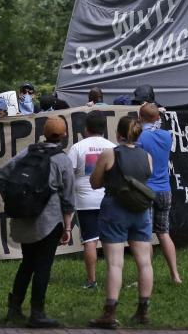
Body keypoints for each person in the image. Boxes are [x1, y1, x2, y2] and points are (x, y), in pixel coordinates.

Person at [0, 116, 74, 328]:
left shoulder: (28, 152)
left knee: (27, 263)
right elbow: (68, 198)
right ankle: (37, 313)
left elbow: (5, 172)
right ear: (64, 135)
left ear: (44, 132)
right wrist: (67, 226)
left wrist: (16, 198)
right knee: (43, 266)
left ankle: (14, 309)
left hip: (25, 218)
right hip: (49, 221)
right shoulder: (62, 159)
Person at [88, 115, 155, 328]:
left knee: (115, 263)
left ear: (118, 134)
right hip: (141, 211)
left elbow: (95, 182)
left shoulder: (110, 153)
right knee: (145, 262)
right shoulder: (147, 156)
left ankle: (109, 313)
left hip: (115, 209)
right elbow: (147, 176)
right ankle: (143, 311)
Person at [68, 109, 116, 289]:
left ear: (86, 128)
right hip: (109, 199)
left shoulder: (77, 147)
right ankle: (114, 277)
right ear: (104, 128)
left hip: (85, 201)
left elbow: (67, 174)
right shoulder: (112, 147)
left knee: (89, 241)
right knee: (111, 241)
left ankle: (91, 281)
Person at [135, 101, 182, 284]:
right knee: (164, 233)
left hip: (146, 189)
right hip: (164, 189)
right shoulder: (166, 136)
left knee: (145, 234)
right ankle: (175, 274)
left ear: (140, 118)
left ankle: (146, 276)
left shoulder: (141, 138)